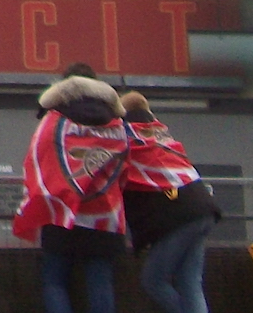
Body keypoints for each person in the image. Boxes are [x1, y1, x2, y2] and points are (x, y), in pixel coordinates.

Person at [13, 66, 132, 313]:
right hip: (105, 216)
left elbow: (37, 162)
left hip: (62, 213)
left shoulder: (54, 121)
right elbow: (124, 170)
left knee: (54, 280)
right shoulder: (117, 125)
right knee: (100, 282)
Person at [121, 91, 219, 313]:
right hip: (204, 209)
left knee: (153, 281)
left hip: (178, 216)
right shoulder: (163, 135)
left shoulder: (127, 138)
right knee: (190, 282)